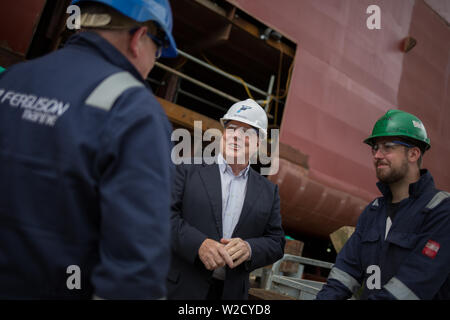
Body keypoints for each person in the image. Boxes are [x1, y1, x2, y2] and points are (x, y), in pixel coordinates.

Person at [0, 0, 177, 299]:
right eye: (157, 51)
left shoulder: (12, 79)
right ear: (138, 38)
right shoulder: (134, 110)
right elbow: (135, 271)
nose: (152, 63)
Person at [316, 109, 450, 300]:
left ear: (413, 154)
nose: (377, 155)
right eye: (375, 148)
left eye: (387, 147)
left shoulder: (441, 210)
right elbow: (344, 274)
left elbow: (411, 288)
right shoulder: (373, 211)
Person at [168, 98, 285, 300]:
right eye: (232, 128)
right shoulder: (187, 170)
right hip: (181, 289)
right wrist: (198, 244)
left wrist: (250, 249)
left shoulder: (269, 191)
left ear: (259, 142)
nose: (236, 137)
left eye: (247, 132)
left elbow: (276, 242)